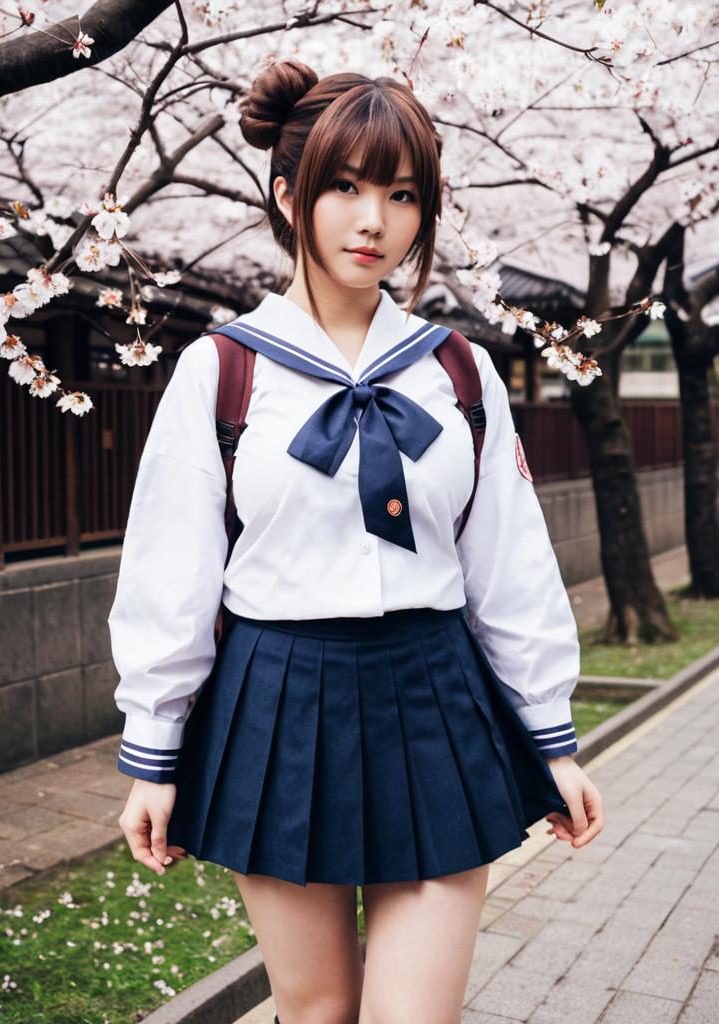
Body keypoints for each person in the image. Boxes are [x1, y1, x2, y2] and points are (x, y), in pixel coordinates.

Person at [110, 58, 604, 1024]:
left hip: (434, 692)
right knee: (319, 1013)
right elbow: (171, 572)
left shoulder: (457, 370)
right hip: (279, 694)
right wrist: (153, 752)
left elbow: (507, 558)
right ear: (290, 194)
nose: (373, 219)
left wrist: (552, 735)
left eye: (401, 193)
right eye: (344, 186)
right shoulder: (221, 373)